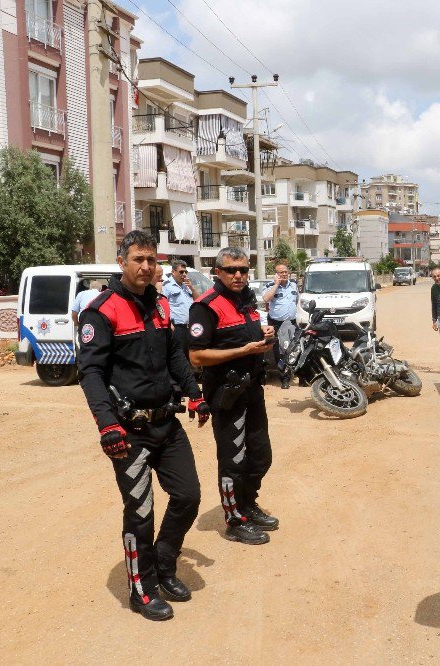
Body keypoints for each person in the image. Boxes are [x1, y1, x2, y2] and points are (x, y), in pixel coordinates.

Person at [78, 230, 210, 621]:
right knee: (140, 512)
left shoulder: (162, 305)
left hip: (166, 424)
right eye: (139, 259)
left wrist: (195, 393)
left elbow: (176, 357)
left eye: (152, 260)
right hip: (128, 433)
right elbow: (91, 374)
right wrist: (107, 426)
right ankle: (142, 588)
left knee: (188, 497)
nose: (146, 266)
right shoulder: (101, 311)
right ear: (123, 262)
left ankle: (165, 564)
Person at [188, 247, 280, 545]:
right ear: (218, 272)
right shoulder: (206, 306)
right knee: (233, 460)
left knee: (261, 455)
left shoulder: (246, 301)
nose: (238, 274)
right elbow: (196, 356)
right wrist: (242, 351)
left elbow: (248, 334)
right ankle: (234, 519)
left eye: (243, 269)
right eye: (231, 270)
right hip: (227, 394)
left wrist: (263, 334)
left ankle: (247, 504)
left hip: (252, 389)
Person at [262, 262, 299, 389]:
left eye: (285, 272)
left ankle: (295, 374)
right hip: (276, 324)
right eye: (281, 272)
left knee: (294, 348)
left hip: (292, 322)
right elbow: (266, 299)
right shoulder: (270, 286)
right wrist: (277, 284)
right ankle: (283, 378)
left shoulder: (294, 285)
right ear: (276, 274)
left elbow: (296, 300)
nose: (284, 274)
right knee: (278, 351)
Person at [162, 261, 201, 366]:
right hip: (177, 327)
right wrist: (169, 324)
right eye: (181, 272)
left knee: (188, 355)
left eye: (185, 272)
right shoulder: (167, 286)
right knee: (179, 356)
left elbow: (198, 301)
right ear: (173, 272)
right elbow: (162, 306)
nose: (184, 274)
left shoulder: (186, 286)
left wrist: (192, 288)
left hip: (189, 327)